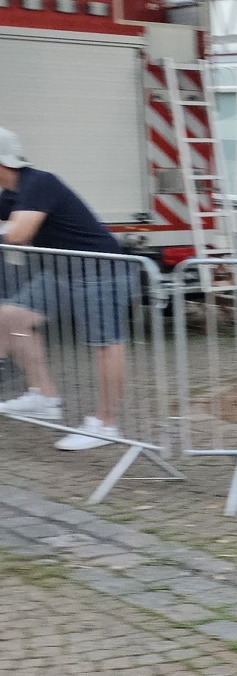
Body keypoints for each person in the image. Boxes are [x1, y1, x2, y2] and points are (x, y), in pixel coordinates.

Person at [0, 130, 130, 448]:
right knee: (10, 317)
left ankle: (106, 424)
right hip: (63, 270)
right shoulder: (11, 194)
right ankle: (44, 397)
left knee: (105, 344)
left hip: (100, 270)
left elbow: (18, 234)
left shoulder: (39, 183)